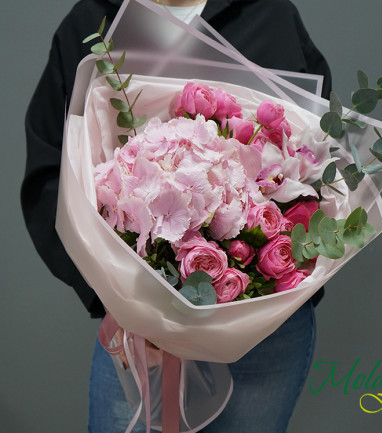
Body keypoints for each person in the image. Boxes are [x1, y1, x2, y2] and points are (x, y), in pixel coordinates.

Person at [21, 0, 331, 432]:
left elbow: (315, 152)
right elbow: (47, 177)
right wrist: (119, 301)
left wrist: (281, 280)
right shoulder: (90, 20)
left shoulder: (269, 12)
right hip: (139, 334)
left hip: (265, 333)